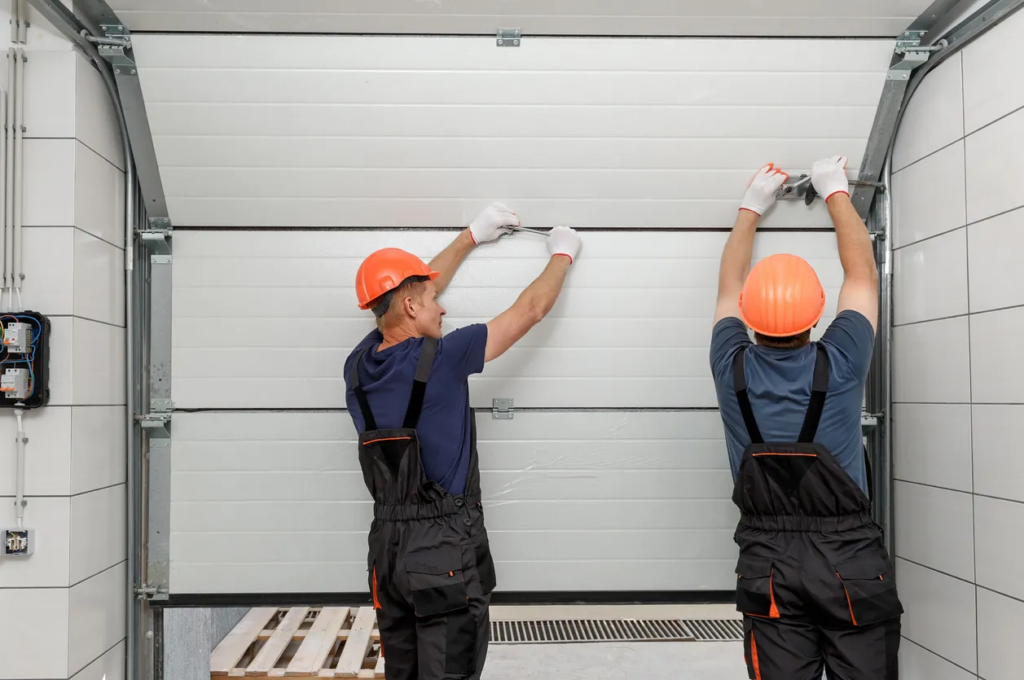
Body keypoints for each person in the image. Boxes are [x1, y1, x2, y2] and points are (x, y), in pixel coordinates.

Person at [344, 203, 582, 680]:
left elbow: (406, 296)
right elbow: (531, 310)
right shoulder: (446, 357)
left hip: (387, 552)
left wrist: (471, 236)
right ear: (411, 307)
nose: (443, 305)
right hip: (442, 550)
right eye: (432, 300)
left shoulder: (359, 364)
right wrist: (563, 254)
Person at [710, 158, 903, 680]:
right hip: (850, 560)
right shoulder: (840, 360)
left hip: (768, 561)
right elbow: (861, 271)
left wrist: (751, 205)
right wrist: (835, 191)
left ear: (748, 318)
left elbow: (728, 285)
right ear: (816, 315)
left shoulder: (730, 367)